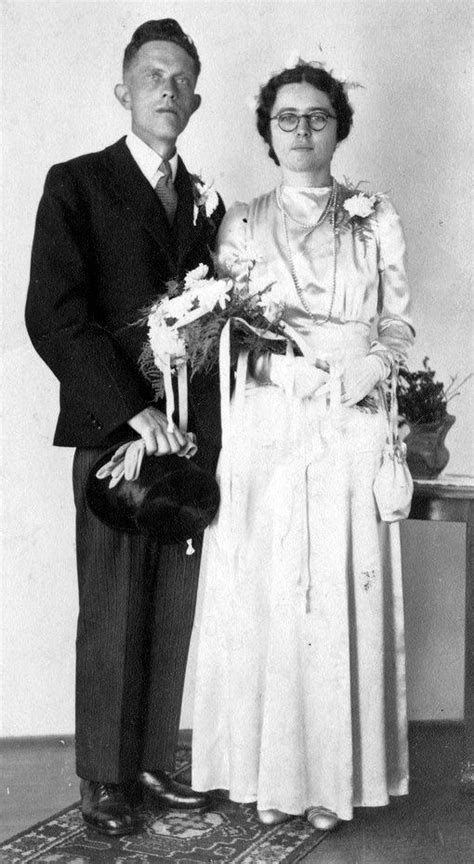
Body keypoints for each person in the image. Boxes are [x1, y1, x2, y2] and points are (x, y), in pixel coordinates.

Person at [192, 61, 414, 831]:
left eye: (316, 117)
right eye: (286, 119)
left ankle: (332, 780)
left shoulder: (374, 215)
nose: (301, 131)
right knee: (275, 592)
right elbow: (218, 335)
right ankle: (267, 772)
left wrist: (371, 366)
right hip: (272, 421)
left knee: (334, 595)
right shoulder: (242, 221)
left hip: (350, 420)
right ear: (267, 131)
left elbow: (398, 321)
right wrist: (282, 369)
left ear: (338, 126)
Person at [25, 19, 224, 836]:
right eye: (153, 75)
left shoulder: (206, 201)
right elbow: (54, 315)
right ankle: (104, 779)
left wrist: (187, 422)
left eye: (181, 79)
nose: (168, 89)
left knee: (172, 601)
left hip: (187, 438)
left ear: (197, 99)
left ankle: (148, 762)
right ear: (123, 92)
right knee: (112, 602)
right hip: (117, 431)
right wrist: (133, 410)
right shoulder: (76, 183)